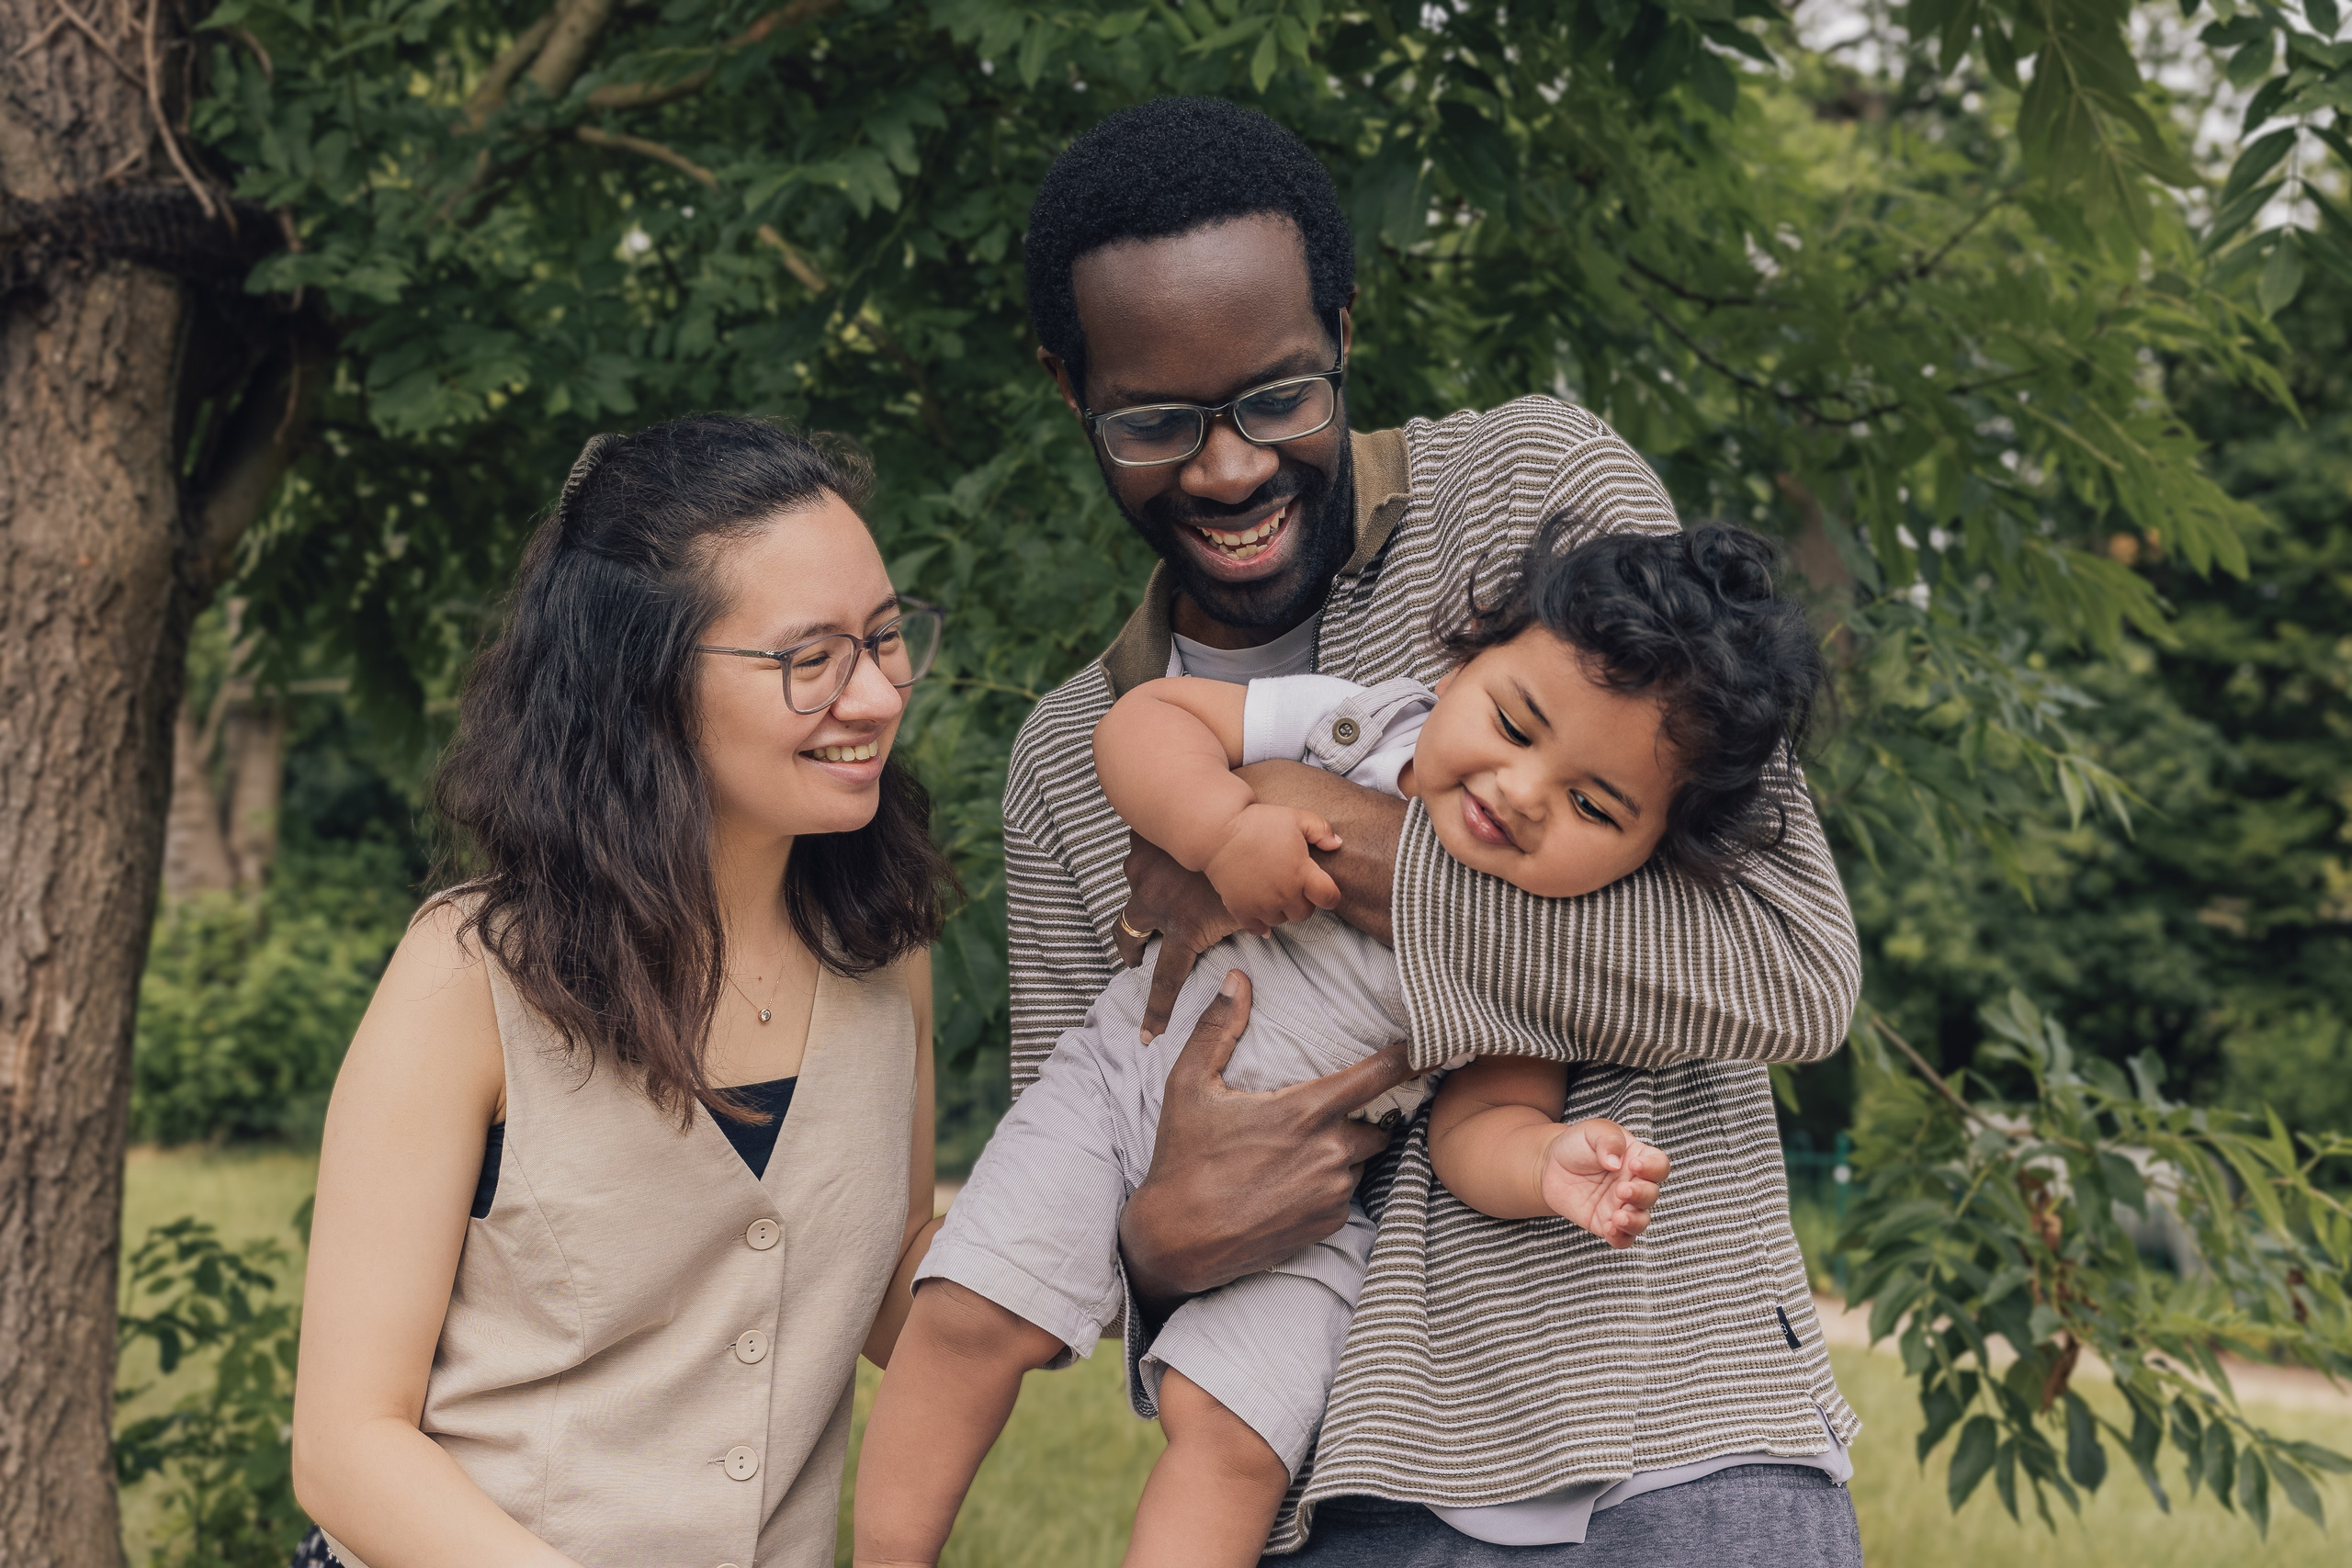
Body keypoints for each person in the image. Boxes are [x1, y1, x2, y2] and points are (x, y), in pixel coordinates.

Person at [980, 97, 1866, 1563]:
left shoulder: (1534, 497)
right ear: (1067, 386)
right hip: (1329, 1500)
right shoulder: (1069, 762)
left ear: (1343, 329)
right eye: (1153, 422)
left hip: (1674, 1449)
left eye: (1281, 396)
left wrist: (1330, 834)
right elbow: (1079, 1204)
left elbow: (1789, 972)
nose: (1228, 469)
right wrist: (1162, 1233)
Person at [857, 519, 1827, 1567]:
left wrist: (1548, 1164)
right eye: (1514, 723)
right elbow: (1148, 721)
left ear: (1646, 853)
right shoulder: (1356, 724)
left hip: (1308, 1216)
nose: (1521, 792)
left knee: (1235, 1440)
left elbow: (1480, 1124)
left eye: (1592, 804)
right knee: (969, 1313)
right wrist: (1219, 825)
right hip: (1111, 1087)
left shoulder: (1534, 956)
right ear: (1462, 664)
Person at [286, 416, 955, 1568]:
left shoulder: (883, 953)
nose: (880, 696)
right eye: (812, 659)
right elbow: (347, 1448)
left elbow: (898, 1296)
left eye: (886, 638)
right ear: (643, 679)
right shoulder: (468, 974)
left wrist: (1128, 1235)